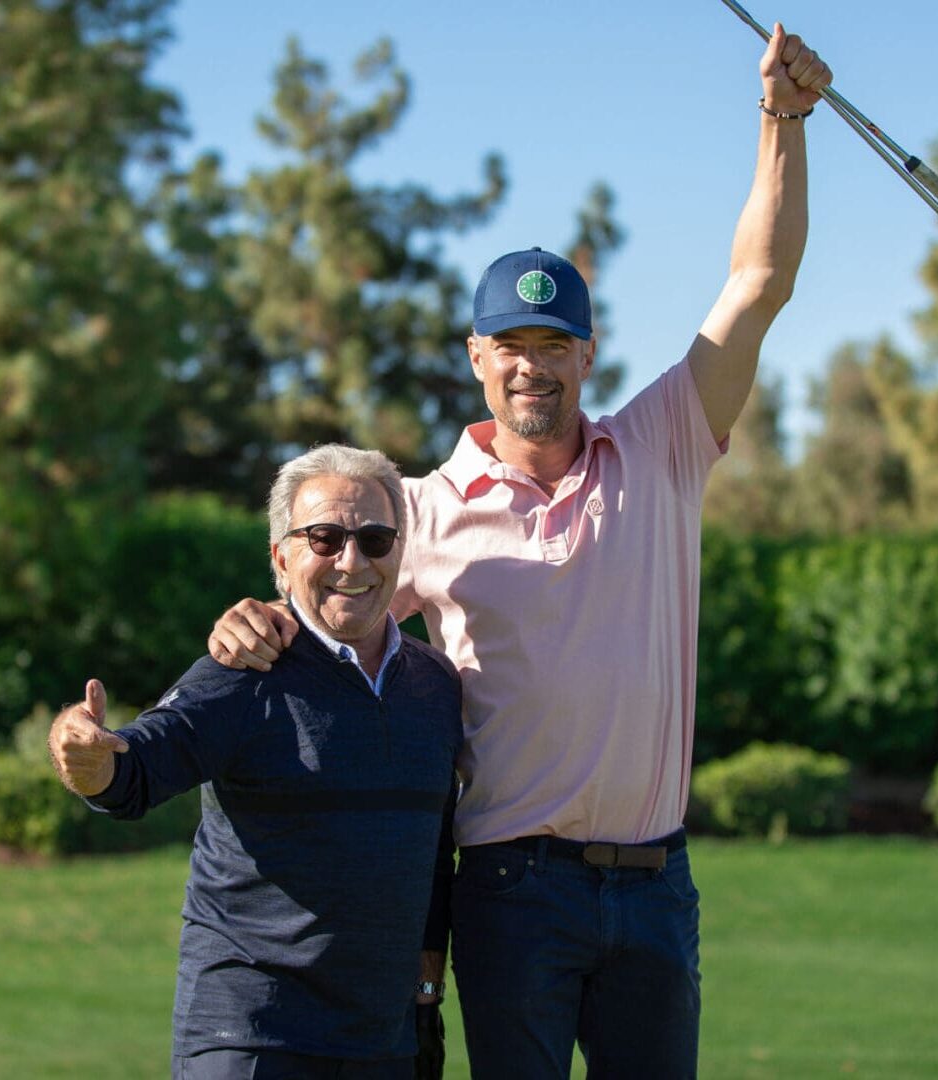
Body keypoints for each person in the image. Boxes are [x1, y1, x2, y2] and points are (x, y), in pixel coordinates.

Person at [206, 23, 831, 1079]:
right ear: (477, 358)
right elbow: (327, 607)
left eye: (553, 346)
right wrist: (250, 618)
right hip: (509, 890)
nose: (532, 367)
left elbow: (758, 281)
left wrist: (782, 119)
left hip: (655, 883)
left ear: (587, 353)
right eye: (511, 347)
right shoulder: (415, 510)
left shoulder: (666, 444)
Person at [48, 445, 463, 1080]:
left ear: (399, 551)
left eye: (375, 539)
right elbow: (133, 774)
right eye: (324, 537)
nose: (351, 560)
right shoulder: (245, 670)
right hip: (251, 1036)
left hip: (385, 1041)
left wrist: (427, 998)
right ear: (281, 557)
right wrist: (80, 751)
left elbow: (431, 852)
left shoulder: (435, 684)